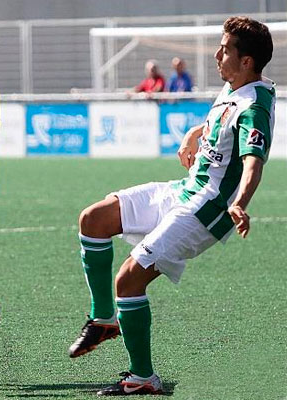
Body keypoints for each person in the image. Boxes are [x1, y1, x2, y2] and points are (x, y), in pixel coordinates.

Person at [68, 16, 274, 396]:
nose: (216, 54)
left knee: (128, 279)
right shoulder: (233, 87)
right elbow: (216, 122)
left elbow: (253, 161)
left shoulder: (255, 106)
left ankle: (143, 378)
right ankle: (103, 319)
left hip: (205, 209)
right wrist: (196, 133)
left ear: (247, 61)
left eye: (225, 49)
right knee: (93, 219)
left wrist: (241, 203)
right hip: (181, 189)